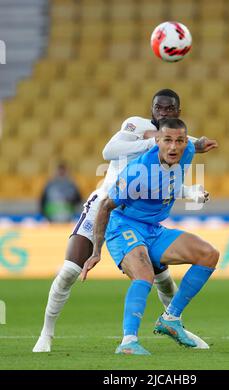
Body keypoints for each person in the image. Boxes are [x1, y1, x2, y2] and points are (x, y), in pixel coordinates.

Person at [33, 89, 218, 353]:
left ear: (178, 111)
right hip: (106, 204)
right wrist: (153, 142)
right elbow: (109, 151)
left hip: (140, 213)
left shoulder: (175, 142)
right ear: (151, 108)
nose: (162, 112)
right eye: (158, 107)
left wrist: (192, 183)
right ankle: (46, 334)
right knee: (70, 271)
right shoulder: (136, 126)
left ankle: (175, 323)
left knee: (163, 279)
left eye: (169, 109)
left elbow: (175, 166)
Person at [82, 118, 219, 355]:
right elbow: (105, 206)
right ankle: (128, 342)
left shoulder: (187, 151)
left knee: (209, 254)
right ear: (157, 141)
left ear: (187, 141)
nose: (173, 147)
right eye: (167, 141)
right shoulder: (138, 172)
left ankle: (171, 319)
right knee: (145, 274)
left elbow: (193, 148)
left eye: (179, 141)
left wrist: (202, 143)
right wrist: (96, 251)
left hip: (153, 229)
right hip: (123, 226)